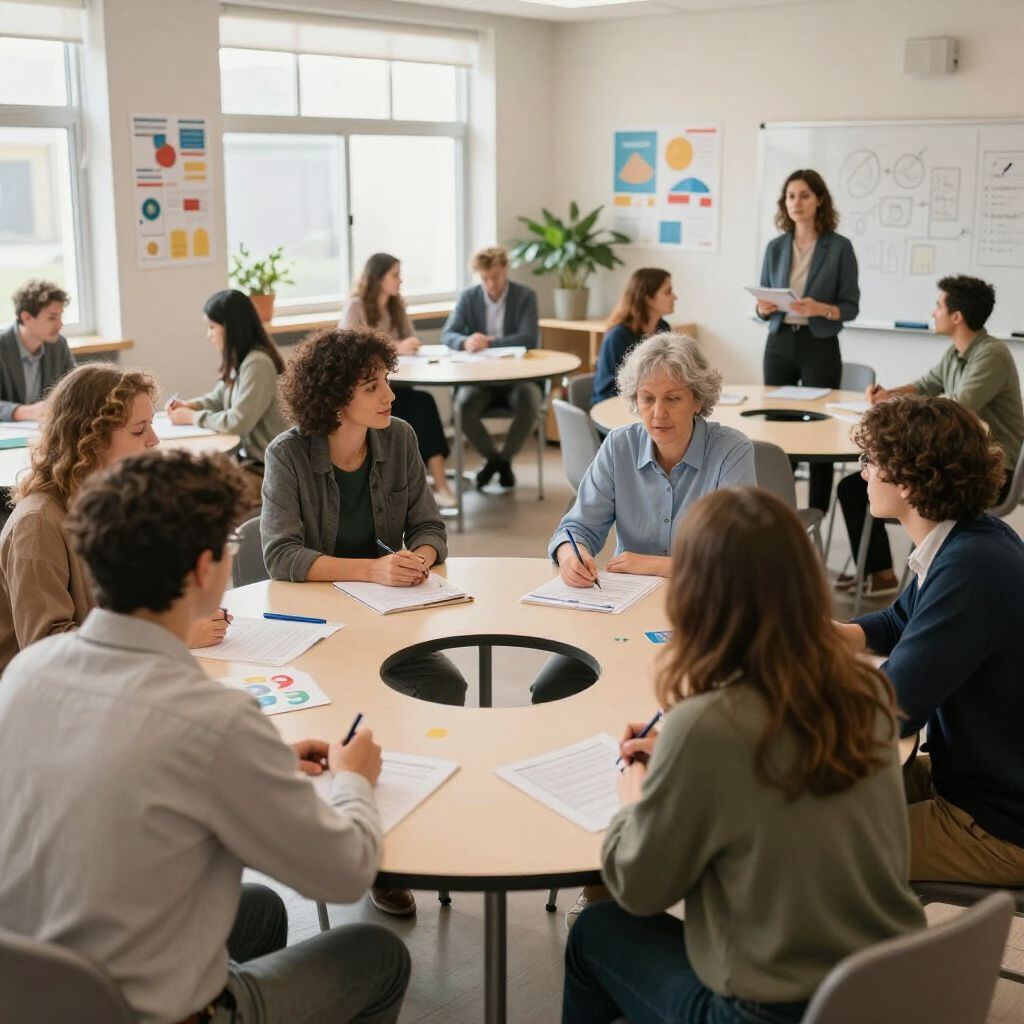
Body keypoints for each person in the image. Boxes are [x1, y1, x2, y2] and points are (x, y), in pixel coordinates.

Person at [0, 449, 410, 1024]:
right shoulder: (211, 720)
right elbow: (345, 873)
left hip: (28, 990)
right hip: (144, 1011)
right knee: (379, 956)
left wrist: (257, 762)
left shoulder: (24, 675)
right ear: (201, 570)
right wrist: (352, 784)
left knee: (262, 911)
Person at [563, 486, 925, 1024]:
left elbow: (637, 888)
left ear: (694, 596)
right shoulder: (867, 693)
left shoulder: (706, 726)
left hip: (770, 1011)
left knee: (596, 930)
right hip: (886, 986)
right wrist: (687, 756)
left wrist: (636, 794)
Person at [261, 326, 468, 916]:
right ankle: (369, 850)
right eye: (372, 386)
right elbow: (281, 555)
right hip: (314, 627)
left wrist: (417, 560)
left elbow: (431, 528)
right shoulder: (288, 455)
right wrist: (373, 571)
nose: (390, 397)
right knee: (356, 706)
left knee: (445, 685)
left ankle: (403, 818)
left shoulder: (399, 439)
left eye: (386, 382)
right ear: (333, 398)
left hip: (391, 618)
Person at [835, 396, 1024, 884]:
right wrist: (835, 635)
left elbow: (894, 710)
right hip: (976, 778)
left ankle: (857, 959)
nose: (863, 475)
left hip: (999, 821)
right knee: (812, 797)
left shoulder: (968, 568)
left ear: (910, 479)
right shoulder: (970, 537)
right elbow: (902, 621)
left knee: (815, 839)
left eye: (872, 462)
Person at [533, 332, 755, 708]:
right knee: (550, 690)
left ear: (697, 400)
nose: (657, 413)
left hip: (710, 614)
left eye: (673, 399)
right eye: (647, 398)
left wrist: (655, 565)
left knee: (675, 702)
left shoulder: (732, 452)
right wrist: (572, 557)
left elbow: (736, 561)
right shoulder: (619, 446)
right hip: (626, 611)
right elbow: (574, 529)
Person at [0, 363, 229, 673]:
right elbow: (47, 651)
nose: (154, 440)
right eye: (139, 429)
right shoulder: (38, 524)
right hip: (45, 704)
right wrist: (169, 635)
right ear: (90, 439)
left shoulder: (115, 505)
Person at [835, 275, 1024, 597]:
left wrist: (901, 412)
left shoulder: (991, 354)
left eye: (938, 305)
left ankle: (901, 580)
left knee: (860, 485)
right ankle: (880, 576)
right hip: (955, 459)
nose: (932, 312)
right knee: (856, 485)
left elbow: (958, 406)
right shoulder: (956, 353)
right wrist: (887, 394)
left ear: (956, 316)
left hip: (990, 468)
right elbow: (926, 385)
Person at [756, 169, 859, 512]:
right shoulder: (775, 247)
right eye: (789, 196)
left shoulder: (839, 247)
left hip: (820, 344)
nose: (795, 203)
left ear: (819, 200)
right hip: (780, 341)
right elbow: (762, 304)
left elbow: (850, 307)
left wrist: (822, 308)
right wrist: (763, 307)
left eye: (803, 195)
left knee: (820, 429)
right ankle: (775, 507)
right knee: (776, 427)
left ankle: (818, 510)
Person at [340, 254, 456, 508]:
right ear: (377, 278)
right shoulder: (356, 306)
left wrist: (410, 344)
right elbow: (348, 349)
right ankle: (438, 483)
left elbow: (410, 337)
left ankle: (439, 483)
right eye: (394, 274)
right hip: (369, 391)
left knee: (424, 404)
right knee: (423, 405)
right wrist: (395, 347)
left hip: (399, 383)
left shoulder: (396, 305)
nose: (400, 280)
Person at [166, 288, 289, 508]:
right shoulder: (242, 360)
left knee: (203, 497)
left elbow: (238, 422)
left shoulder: (257, 363)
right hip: (250, 462)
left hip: (269, 470)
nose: (208, 334)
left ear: (231, 328)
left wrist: (192, 417)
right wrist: (190, 405)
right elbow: (218, 397)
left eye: (212, 327)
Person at [441, 246, 540, 489]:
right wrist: (465, 341)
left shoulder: (525, 296)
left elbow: (528, 337)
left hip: (517, 378)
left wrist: (490, 343)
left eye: (495, 277)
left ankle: (503, 459)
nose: (491, 284)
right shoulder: (469, 297)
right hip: (480, 380)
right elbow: (448, 333)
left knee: (530, 400)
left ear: (505, 269)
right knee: (463, 407)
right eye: (485, 278)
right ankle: (496, 461)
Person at [591, 268, 675, 405]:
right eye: (668, 292)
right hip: (615, 409)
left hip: (648, 406)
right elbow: (605, 391)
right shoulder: (617, 336)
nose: (674, 297)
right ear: (648, 298)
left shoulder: (663, 328)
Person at [0, 278, 76, 421]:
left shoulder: (59, 345)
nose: (60, 325)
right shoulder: (2, 346)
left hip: (45, 431)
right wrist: (23, 412)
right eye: (52, 318)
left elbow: (74, 389)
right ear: (26, 317)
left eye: (60, 317)